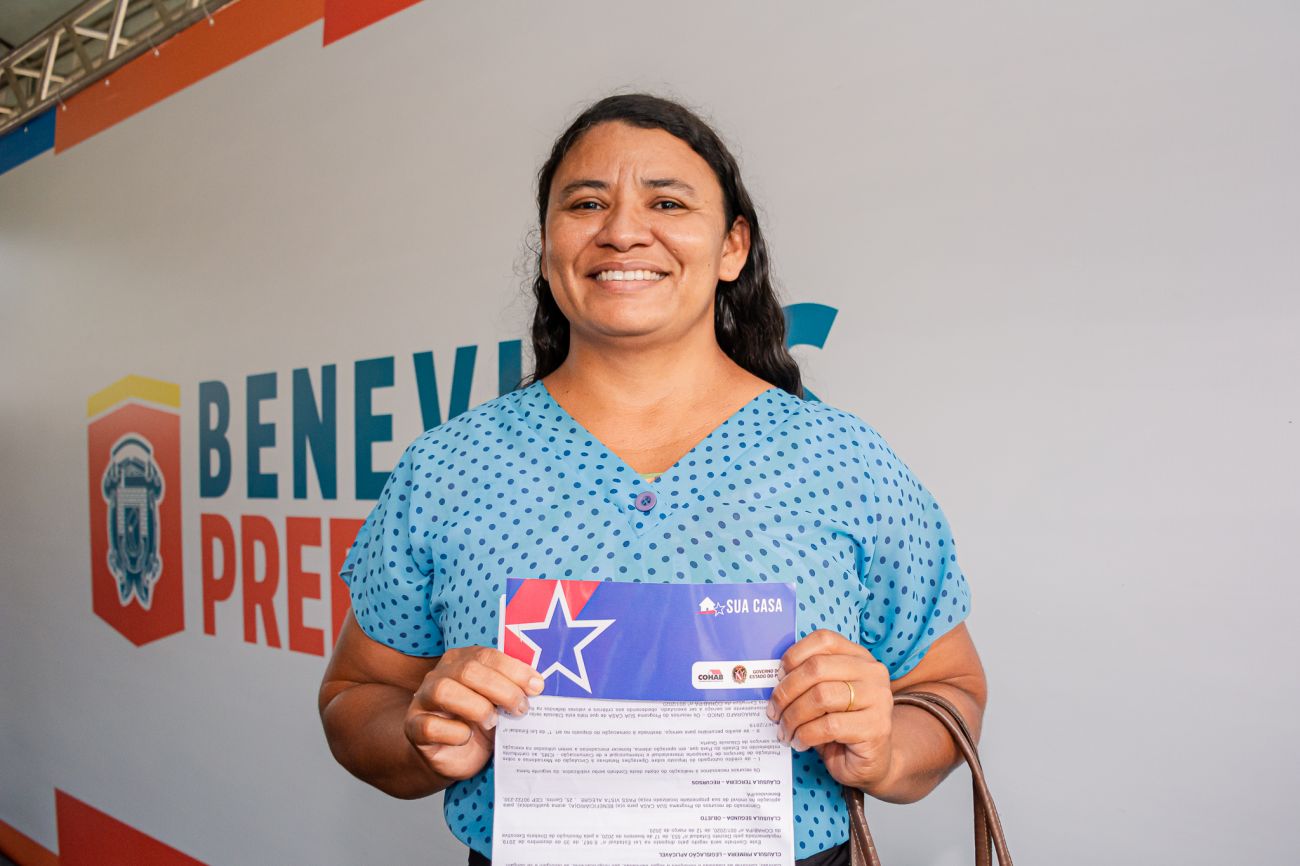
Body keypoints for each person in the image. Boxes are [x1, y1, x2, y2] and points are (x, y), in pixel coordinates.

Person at [319, 93, 987, 866]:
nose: (623, 230)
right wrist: (424, 737)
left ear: (732, 246)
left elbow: (949, 687)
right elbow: (354, 696)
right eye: (586, 203)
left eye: (667, 202)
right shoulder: (449, 466)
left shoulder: (843, 460)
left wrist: (886, 747)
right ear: (547, 243)